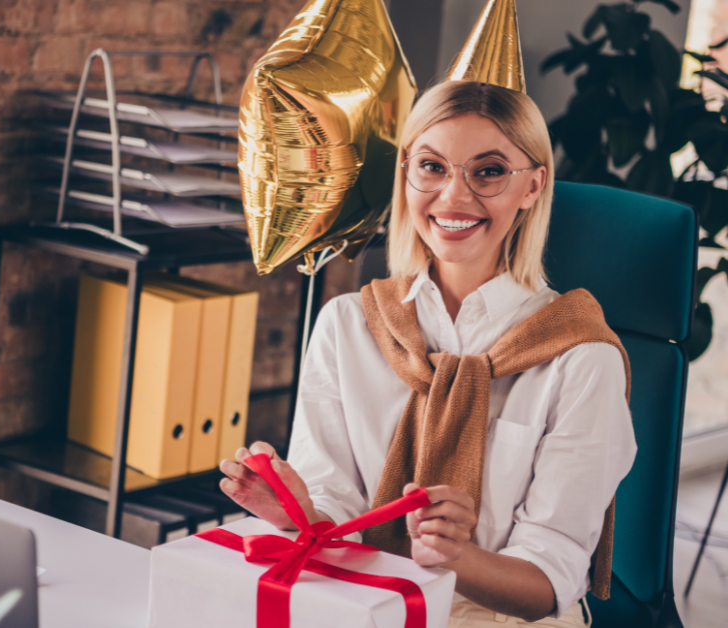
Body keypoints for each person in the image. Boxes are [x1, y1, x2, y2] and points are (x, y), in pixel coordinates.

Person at [219, 80, 636, 628]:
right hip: (366, 600)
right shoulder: (348, 325)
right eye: (433, 167)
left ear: (533, 185)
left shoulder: (581, 358)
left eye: (488, 171)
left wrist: (456, 557)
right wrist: (300, 514)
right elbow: (336, 507)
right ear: (407, 175)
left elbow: (547, 583)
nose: (454, 197)